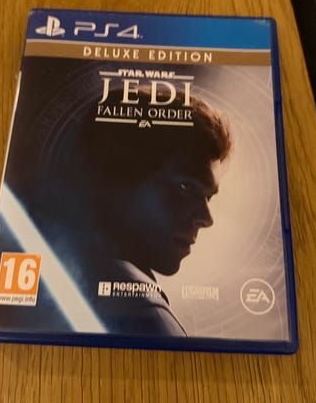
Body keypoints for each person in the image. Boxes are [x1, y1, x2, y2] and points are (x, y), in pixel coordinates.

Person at [42, 86, 232, 336]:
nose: (207, 219)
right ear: (114, 178)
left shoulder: (54, 271)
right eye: (185, 187)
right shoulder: (142, 314)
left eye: (208, 197)